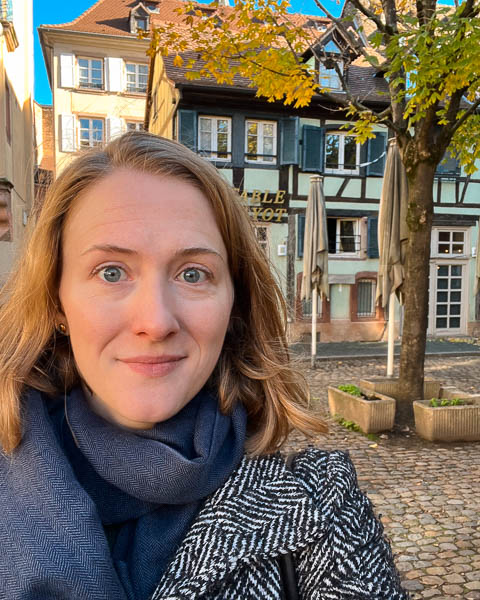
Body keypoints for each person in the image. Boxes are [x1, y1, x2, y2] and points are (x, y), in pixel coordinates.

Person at [0, 132, 408, 600]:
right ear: (56, 302)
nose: (155, 322)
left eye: (193, 274)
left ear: (235, 303)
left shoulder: (320, 508)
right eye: (111, 271)